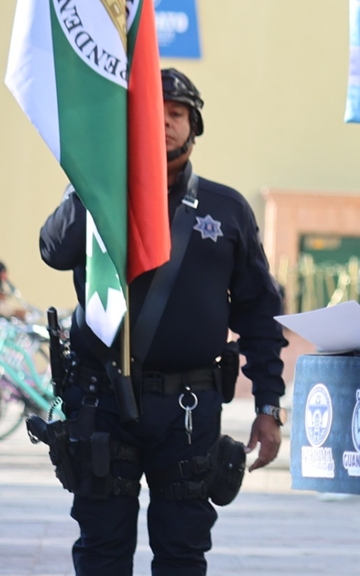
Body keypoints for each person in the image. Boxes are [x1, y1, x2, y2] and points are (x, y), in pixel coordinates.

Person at [38, 68, 286, 576]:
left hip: (187, 409)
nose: (166, 124)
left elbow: (260, 313)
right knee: (102, 551)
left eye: (177, 114)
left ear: (194, 126)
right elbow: (53, 250)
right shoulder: (98, 190)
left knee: (182, 554)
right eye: (154, 114)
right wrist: (92, 178)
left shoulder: (227, 208)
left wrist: (268, 405)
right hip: (101, 401)